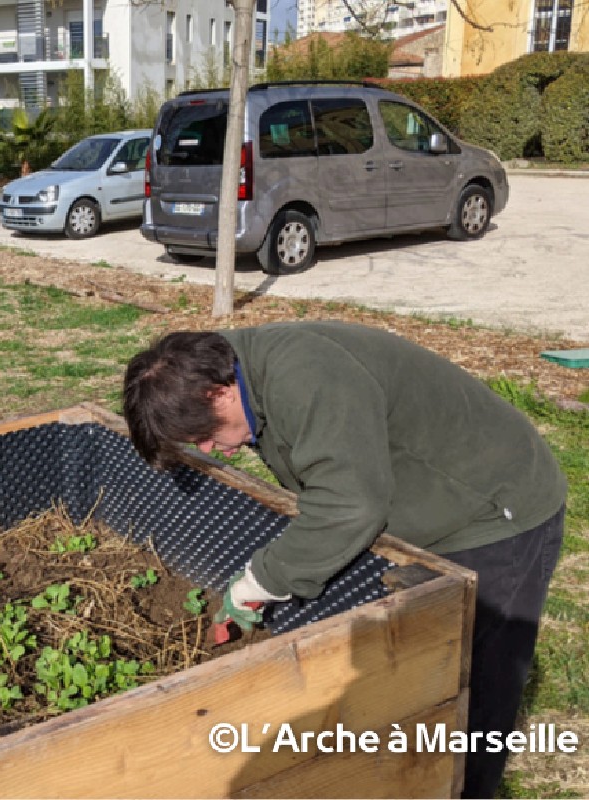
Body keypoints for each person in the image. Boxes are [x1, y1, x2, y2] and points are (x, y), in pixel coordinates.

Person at [123, 321, 567, 799]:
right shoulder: (247, 378)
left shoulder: (306, 375)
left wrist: (256, 583)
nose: (211, 450)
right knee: (420, 673)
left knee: (477, 687)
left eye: (205, 435)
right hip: (426, 508)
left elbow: (348, 506)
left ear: (219, 392)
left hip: (495, 507)